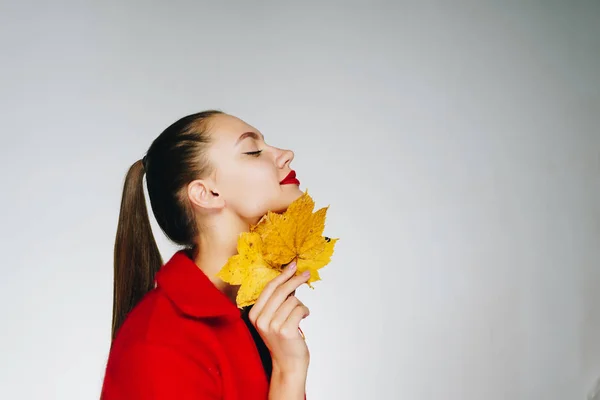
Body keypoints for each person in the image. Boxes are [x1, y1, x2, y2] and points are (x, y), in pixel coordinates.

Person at [100, 110, 311, 399]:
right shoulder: (159, 343)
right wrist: (289, 372)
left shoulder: (259, 316)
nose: (286, 154)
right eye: (252, 151)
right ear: (207, 194)